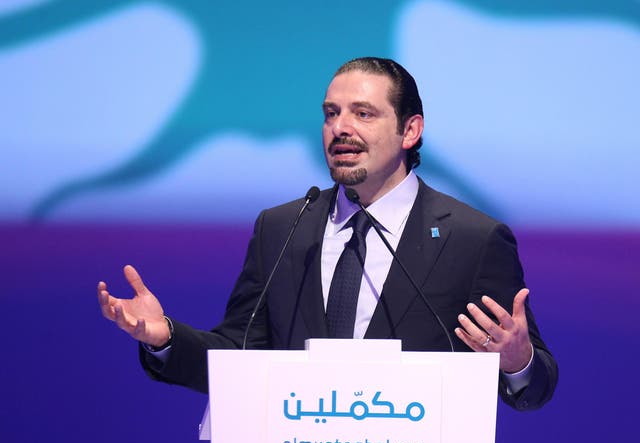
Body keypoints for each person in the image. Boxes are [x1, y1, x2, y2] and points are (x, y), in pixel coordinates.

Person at [98, 57, 557, 411]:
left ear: (410, 130)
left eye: (364, 113)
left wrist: (517, 360)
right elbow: (238, 356)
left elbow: (534, 389)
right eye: (331, 113)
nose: (341, 128)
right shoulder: (280, 229)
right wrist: (166, 338)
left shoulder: (474, 239)